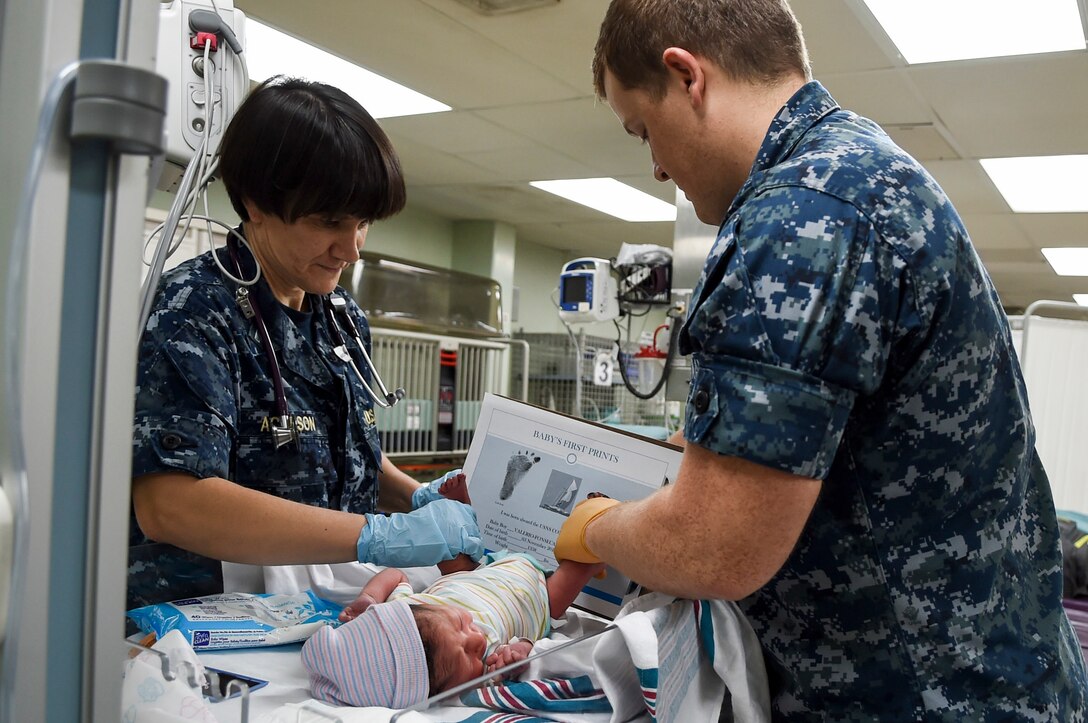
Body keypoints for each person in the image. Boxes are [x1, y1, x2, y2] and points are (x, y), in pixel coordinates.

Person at [554, 1, 1088, 719]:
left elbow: (715, 547)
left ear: (686, 76)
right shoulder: (860, 166)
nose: (654, 165)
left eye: (644, 129)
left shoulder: (801, 212)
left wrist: (595, 522)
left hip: (922, 694)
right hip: (989, 673)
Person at [128, 76, 482, 610]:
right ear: (256, 203)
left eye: (363, 223)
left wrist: (420, 499)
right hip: (204, 621)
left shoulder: (339, 317)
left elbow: (343, 453)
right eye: (329, 222)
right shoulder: (195, 311)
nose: (353, 249)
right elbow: (172, 504)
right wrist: (375, 535)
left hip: (317, 606)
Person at [300, 548, 605, 708]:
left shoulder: (412, 606)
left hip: (485, 570)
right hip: (538, 597)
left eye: (459, 623)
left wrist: (369, 597)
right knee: (566, 582)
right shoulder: (485, 672)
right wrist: (518, 650)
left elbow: (394, 575)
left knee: (453, 548)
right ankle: (591, 553)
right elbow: (527, 655)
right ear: (444, 691)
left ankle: (464, 504)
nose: (477, 637)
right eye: (471, 655)